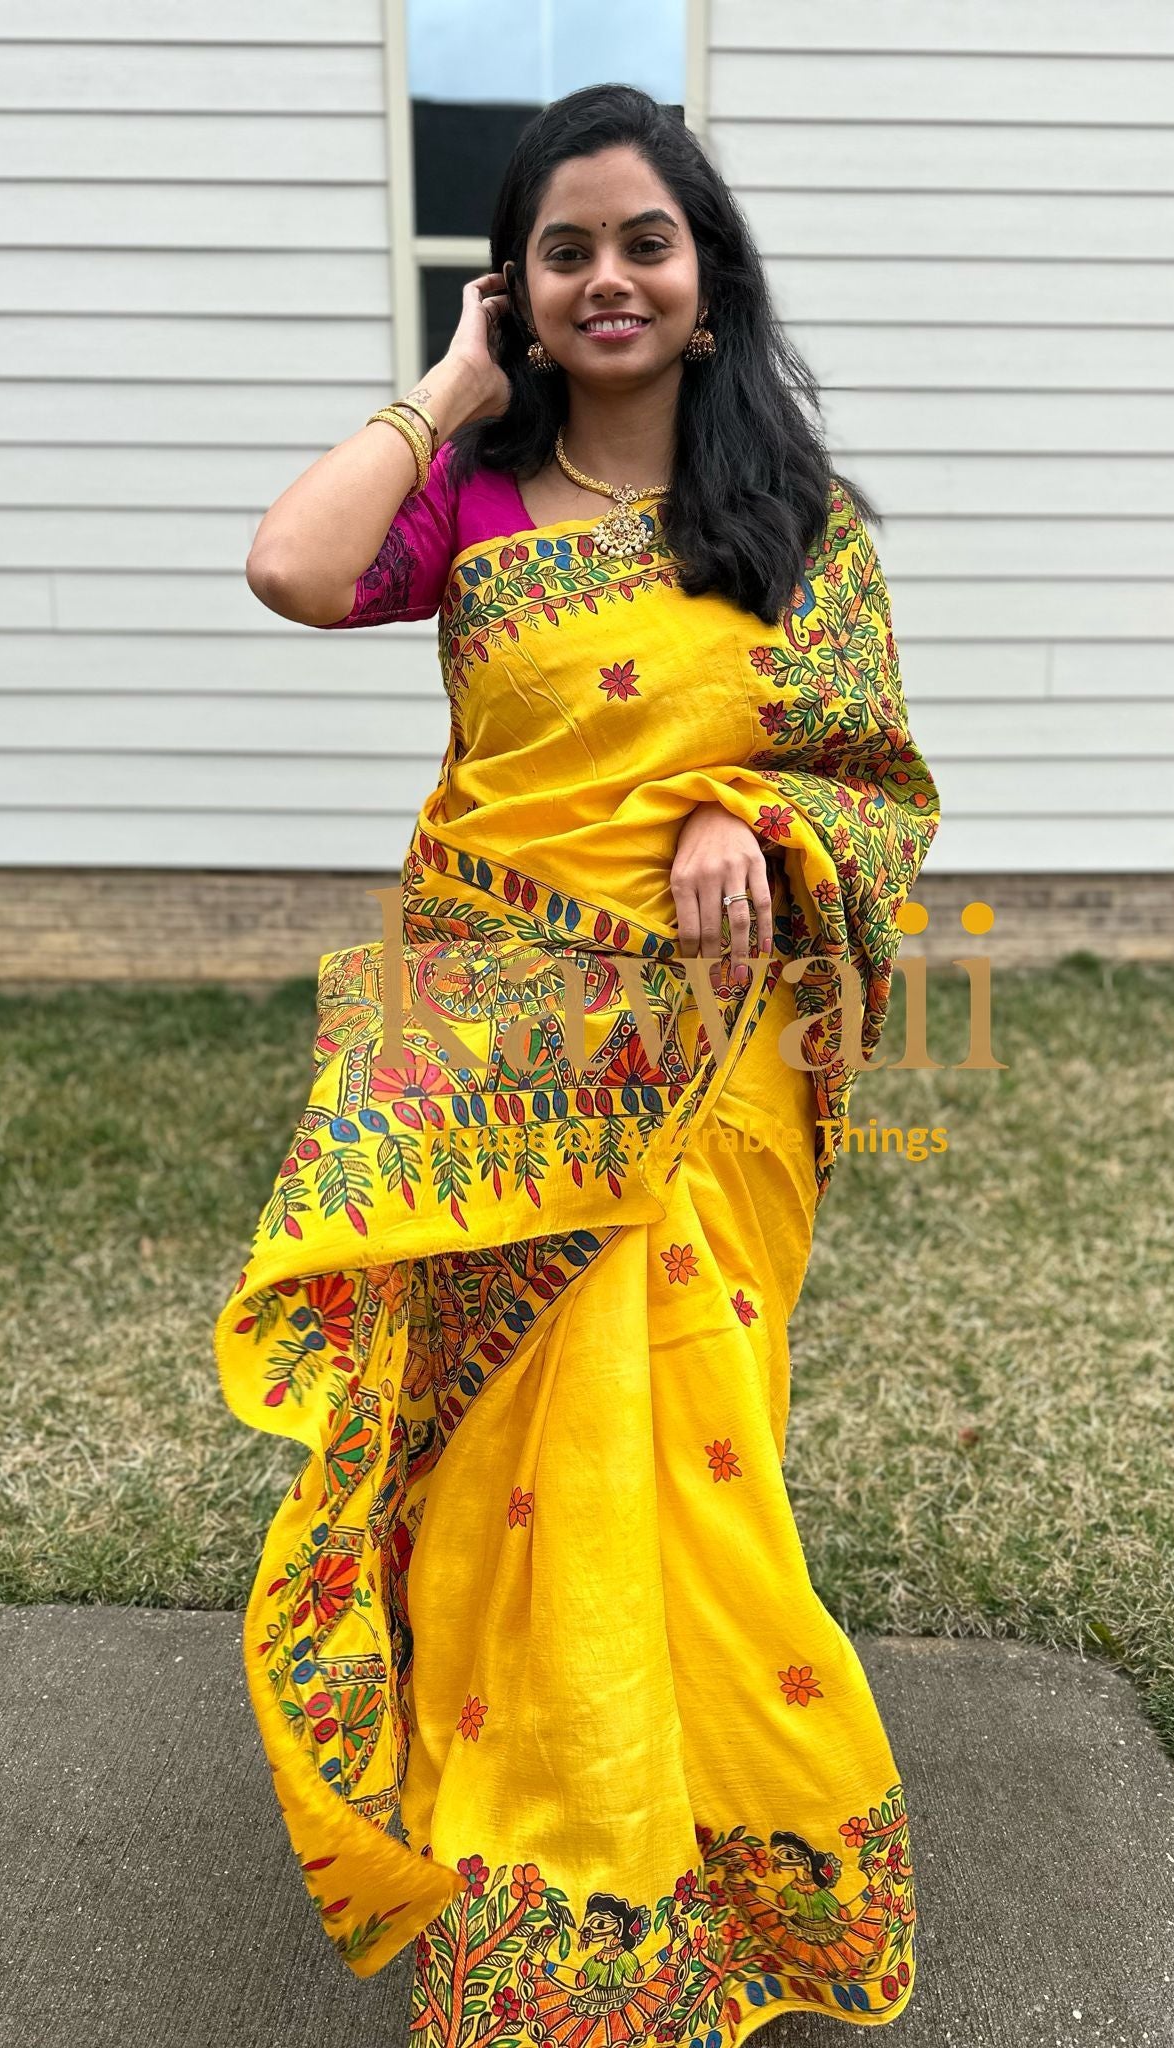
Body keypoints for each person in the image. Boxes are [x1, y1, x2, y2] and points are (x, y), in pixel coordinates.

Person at [214, 80, 939, 2048]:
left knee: (680, 1466)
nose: (607, 276)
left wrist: (748, 823)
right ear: (515, 290)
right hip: (488, 1064)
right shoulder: (472, 500)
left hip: (707, 1082)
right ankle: (554, 1878)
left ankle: (730, 1854)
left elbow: (867, 786)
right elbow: (288, 568)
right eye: (562, 251)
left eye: (644, 241)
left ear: (707, 281)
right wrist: (444, 392)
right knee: (499, 1470)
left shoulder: (797, 530)